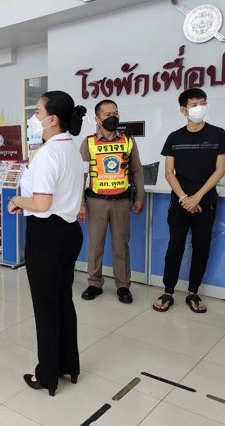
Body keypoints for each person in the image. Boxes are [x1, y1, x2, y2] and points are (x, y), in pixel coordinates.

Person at [8, 91, 86, 396]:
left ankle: (48, 375)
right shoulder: (70, 149)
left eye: (37, 112)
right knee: (63, 301)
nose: (33, 118)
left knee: (46, 307)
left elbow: (41, 203)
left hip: (47, 235)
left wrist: (16, 200)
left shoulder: (48, 154)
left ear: (52, 119)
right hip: (69, 233)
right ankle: (70, 365)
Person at [153, 88, 225, 314]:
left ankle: (193, 292)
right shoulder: (174, 137)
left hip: (205, 202)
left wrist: (197, 196)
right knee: (175, 246)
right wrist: (184, 198)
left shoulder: (219, 134)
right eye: (195, 104)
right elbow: (169, 173)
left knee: (201, 247)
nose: (200, 108)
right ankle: (168, 291)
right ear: (183, 110)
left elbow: (220, 170)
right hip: (180, 202)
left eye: (203, 103)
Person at [79, 100, 145, 304]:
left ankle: (123, 286)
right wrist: (81, 203)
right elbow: (81, 175)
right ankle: (94, 283)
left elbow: (137, 170)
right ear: (98, 119)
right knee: (95, 245)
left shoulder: (128, 141)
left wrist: (140, 197)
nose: (113, 117)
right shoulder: (88, 142)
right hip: (96, 201)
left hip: (121, 201)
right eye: (107, 114)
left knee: (120, 245)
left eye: (115, 113)